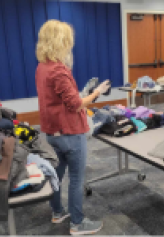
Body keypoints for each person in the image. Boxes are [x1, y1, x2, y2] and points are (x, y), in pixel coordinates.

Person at [35, 20, 110, 235]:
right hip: (70, 133)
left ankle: (57, 212)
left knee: (56, 176)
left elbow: (59, 99)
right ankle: (77, 223)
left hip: (52, 133)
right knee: (76, 180)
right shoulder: (59, 70)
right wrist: (97, 93)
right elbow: (76, 104)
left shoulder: (42, 67)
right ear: (61, 41)